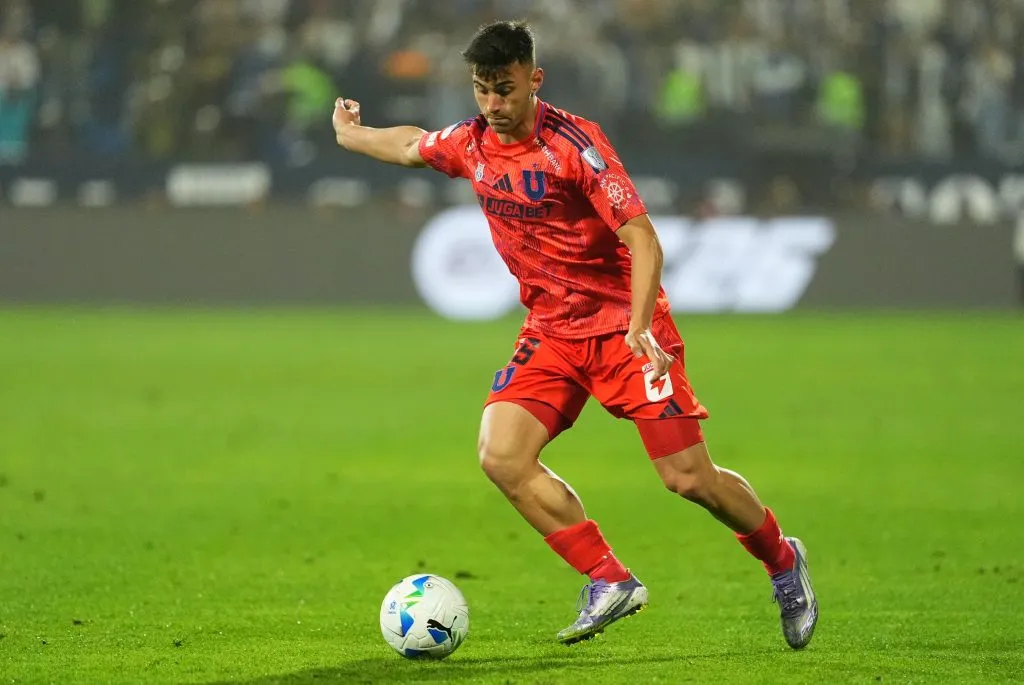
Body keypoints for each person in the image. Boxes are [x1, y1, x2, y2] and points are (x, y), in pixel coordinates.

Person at [332, 20, 818, 649]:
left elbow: (642, 237)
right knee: (501, 455)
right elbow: (412, 145)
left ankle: (782, 560)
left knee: (689, 480)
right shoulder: (474, 143)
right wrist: (351, 134)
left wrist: (641, 323)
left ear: (535, 79)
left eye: (504, 90)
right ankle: (608, 578)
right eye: (482, 90)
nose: (493, 105)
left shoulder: (576, 146)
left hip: (622, 327)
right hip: (552, 332)